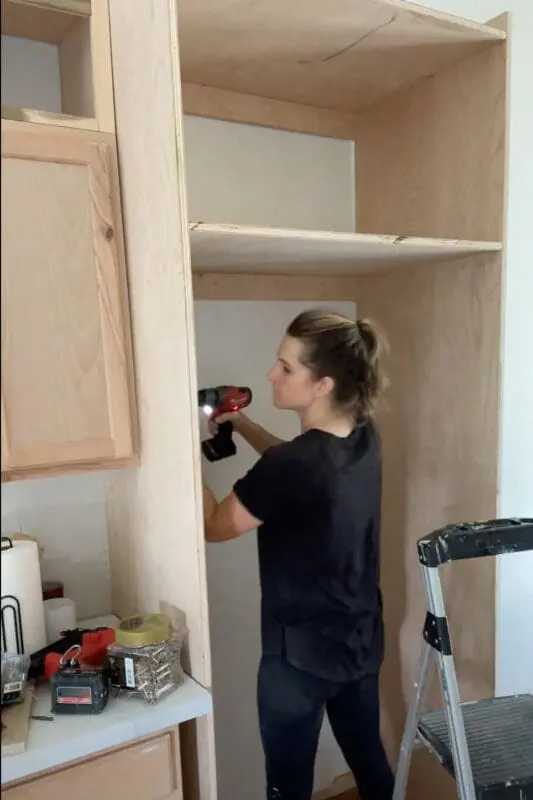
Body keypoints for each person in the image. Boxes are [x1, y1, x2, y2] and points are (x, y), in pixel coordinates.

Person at [202, 309, 394, 800]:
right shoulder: (362, 438)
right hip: (358, 641)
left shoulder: (292, 468)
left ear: (322, 385)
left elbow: (214, 527)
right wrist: (241, 425)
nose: (271, 374)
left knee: (287, 790)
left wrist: (179, 447)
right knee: (371, 767)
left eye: (286, 368)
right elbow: (297, 463)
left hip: (299, 664)